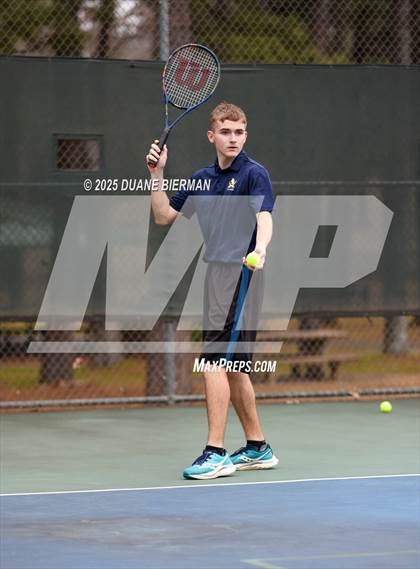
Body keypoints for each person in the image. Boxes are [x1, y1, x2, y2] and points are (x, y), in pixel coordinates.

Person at [146, 102, 278, 480]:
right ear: (212, 136)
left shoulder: (254, 174)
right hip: (216, 275)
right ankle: (257, 446)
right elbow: (163, 216)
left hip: (243, 273)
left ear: (245, 135)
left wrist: (260, 248)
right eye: (225, 132)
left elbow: (264, 217)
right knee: (232, 366)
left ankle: (215, 452)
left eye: (239, 132)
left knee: (213, 362)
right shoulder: (201, 179)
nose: (233, 138)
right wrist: (157, 173)